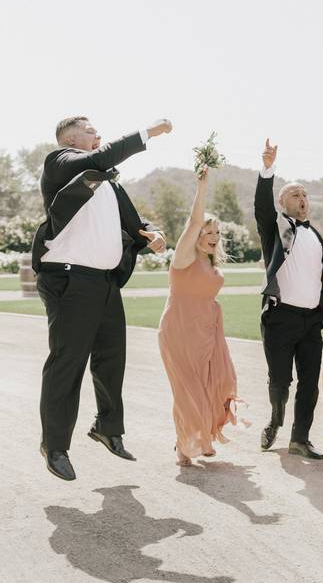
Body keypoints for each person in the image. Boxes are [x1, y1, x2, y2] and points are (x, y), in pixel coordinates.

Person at [32, 116, 170, 480]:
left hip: (105, 283)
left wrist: (152, 235)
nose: (99, 136)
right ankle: (55, 445)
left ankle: (107, 429)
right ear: (71, 139)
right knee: (69, 361)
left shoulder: (110, 184)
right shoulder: (59, 163)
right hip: (70, 280)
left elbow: (136, 224)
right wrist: (146, 134)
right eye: (92, 132)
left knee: (112, 359)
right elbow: (99, 159)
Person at [255, 139, 323, 460]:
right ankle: (276, 417)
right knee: (281, 382)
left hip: (311, 321)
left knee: (310, 384)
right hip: (280, 318)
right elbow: (261, 205)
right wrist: (268, 169)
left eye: (305, 195)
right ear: (283, 202)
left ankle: (300, 438)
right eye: (295, 195)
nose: (302, 199)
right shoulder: (276, 229)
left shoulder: (317, 235)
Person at [158, 168, 239, 466]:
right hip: (179, 330)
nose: (213, 236)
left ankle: (202, 435)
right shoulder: (184, 258)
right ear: (196, 236)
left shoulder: (210, 262)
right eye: (208, 231)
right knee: (187, 389)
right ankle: (185, 443)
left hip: (206, 332)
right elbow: (194, 220)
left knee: (208, 385)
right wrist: (201, 188)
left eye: (217, 232)